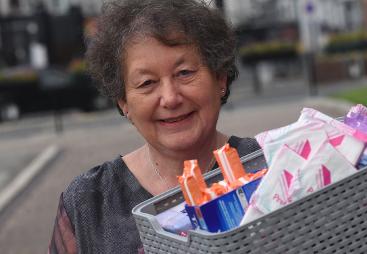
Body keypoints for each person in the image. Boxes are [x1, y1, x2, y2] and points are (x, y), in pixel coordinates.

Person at [48, 0, 260, 253]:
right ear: (123, 101)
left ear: (220, 78)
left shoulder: (272, 167)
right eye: (147, 82)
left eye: (184, 73)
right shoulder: (87, 202)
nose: (170, 98)